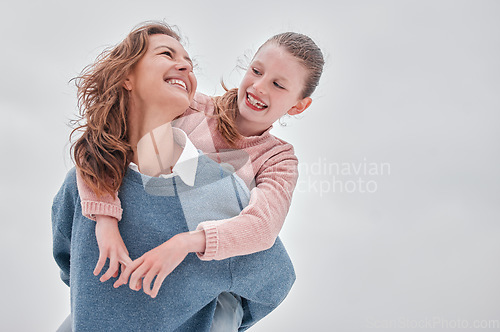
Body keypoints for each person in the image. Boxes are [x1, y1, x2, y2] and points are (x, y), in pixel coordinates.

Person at [53, 22, 298, 332]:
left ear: (299, 104)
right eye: (166, 53)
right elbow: (73, 263)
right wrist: (104, 220)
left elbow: (270, 265)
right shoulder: (85, 182)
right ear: (127, 76)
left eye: (280, 84)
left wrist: (189, 254)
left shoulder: (247, 178)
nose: (184, 65)